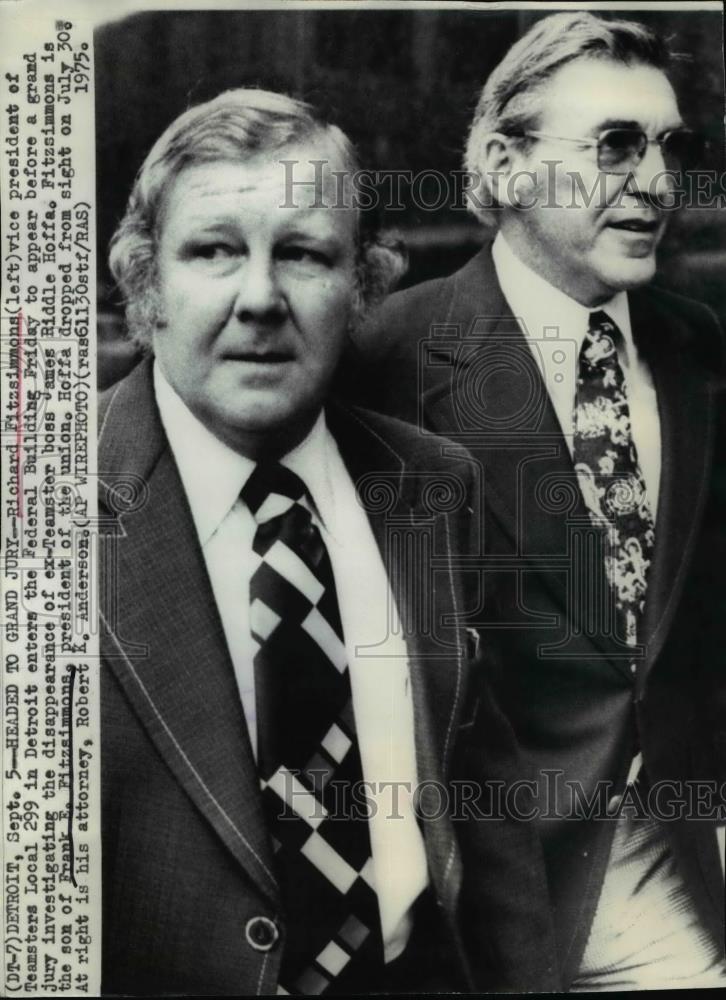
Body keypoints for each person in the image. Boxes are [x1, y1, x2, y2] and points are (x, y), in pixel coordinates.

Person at [97, 88, 559, 995]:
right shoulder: (38, 512)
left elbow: (484, 802)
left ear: (364, 289)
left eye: (304, 254)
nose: (261, 298)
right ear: (147, 285)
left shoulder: (432, 484)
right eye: (214, 250)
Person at [347, 12, 726, 992]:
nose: (656, 181)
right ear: (508, 164)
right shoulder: (386, 359)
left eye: (671, 148)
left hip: (688, 856)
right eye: (615, 147)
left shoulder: (700, 352)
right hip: (490, 898)